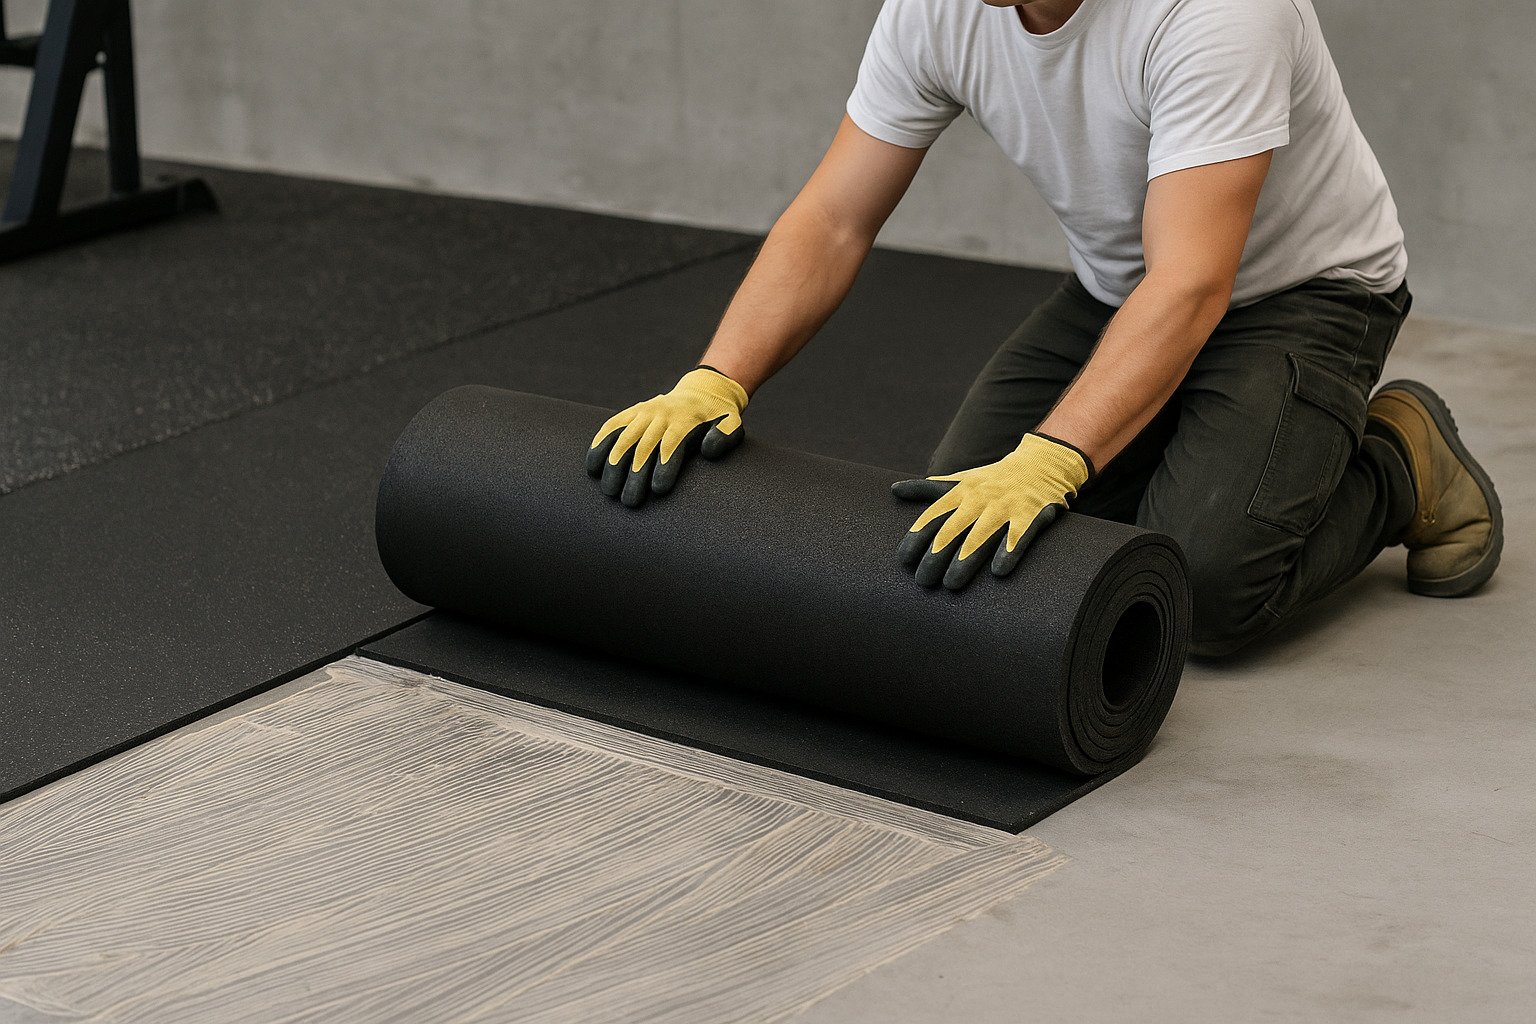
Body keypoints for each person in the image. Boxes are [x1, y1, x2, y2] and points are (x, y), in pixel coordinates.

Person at [584, 0, 1502, 656]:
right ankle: (1227, 453)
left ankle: (1397, 460)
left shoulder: (1218, 12)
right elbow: (834, 218)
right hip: (1121, 294)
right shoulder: (935, 12)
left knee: (1203, 593)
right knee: (952, 540)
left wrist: (1056, 456)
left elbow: (1193, 285)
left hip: (1305, 294)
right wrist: (716, 379)